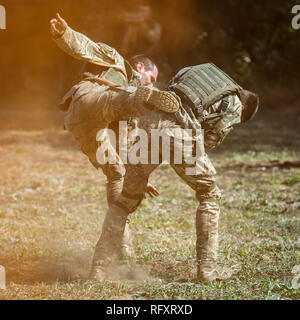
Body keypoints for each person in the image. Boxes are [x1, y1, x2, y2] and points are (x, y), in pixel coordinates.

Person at [90, 63, 259, 282]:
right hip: (178, 132)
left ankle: (98, 270)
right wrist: (188, 154)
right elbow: (216, 133)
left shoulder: (204, 72)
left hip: (148, 123)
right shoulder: (235, 103)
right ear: (245, 109)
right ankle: (207, 270)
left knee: (126, 199)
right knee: (210, 194)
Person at [50, 13, 178, 259]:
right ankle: (149, 101)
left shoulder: (129, 110)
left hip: (81, 125)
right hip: (90, 98)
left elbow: (126, 140)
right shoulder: (116, 60)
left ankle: (122, 246)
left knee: (117, 172)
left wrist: (136, 175)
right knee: (128, 97)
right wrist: (63, 33)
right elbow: (86, 47)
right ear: (140, 67)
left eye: (151, 85)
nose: (149, 84)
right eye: (150, 80)